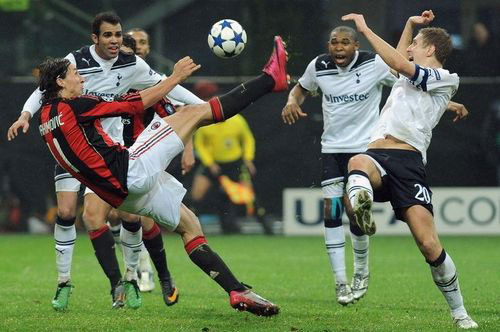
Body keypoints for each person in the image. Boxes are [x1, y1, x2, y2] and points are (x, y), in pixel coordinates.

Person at [36, 34, 288, 316]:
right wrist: (175, 77)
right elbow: (134, 105)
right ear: (60, 82)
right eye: (74, 75)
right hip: (131, 172)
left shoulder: (45, 119)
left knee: (190, 227)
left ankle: (237, 291)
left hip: (123, 197)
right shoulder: (75, 105)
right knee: (194, 113)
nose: (81, 79)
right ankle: (271, 79)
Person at [7, 12, 203, 310]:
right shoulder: (76, 63)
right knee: (71, 211)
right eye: (108, 35)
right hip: (74, 150)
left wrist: (205, 107)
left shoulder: (133, 65)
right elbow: (43, 89)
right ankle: (71, 283)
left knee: (132, 217)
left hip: (107, 151)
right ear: (94, 38)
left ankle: (136, 279)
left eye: (118, 35)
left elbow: (166, 87)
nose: (115, 40)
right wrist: (25, 114)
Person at [341, 11, 477, 329]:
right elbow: (397, 63)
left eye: (416, 43)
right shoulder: (410, 77)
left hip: (409, 164)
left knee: (428, 243)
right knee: (356, 163)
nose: (411, 47)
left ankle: (460, 312)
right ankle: (360, 207)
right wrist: (409, 27)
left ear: (430, 50)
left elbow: (401, 64)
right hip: (376, 153)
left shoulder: (447, 78)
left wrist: (364, 28)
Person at [281, 26, 397, 305]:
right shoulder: (318, 66)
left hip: (364, 152)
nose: (339, 47)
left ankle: (361, 272)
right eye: (334, 42)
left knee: (354, 210)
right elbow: (300, 89)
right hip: (332, 150)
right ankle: (341, 283)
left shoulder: (374, 64)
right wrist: (290, 101)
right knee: (331, 212)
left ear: (356, 45)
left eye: (345, 42)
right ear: (328, 45)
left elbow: (406, 85)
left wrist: (446, 103)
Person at [191, 80, 273, 235]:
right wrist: (210, 164)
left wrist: (248, 159)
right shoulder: (206, 121)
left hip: (234, 163)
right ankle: (192, 229)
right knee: (197, 194)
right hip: (213, 164)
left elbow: (248, 139)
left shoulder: (236, 120)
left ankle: (267, 227)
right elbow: (200, 145)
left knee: (248, 196)